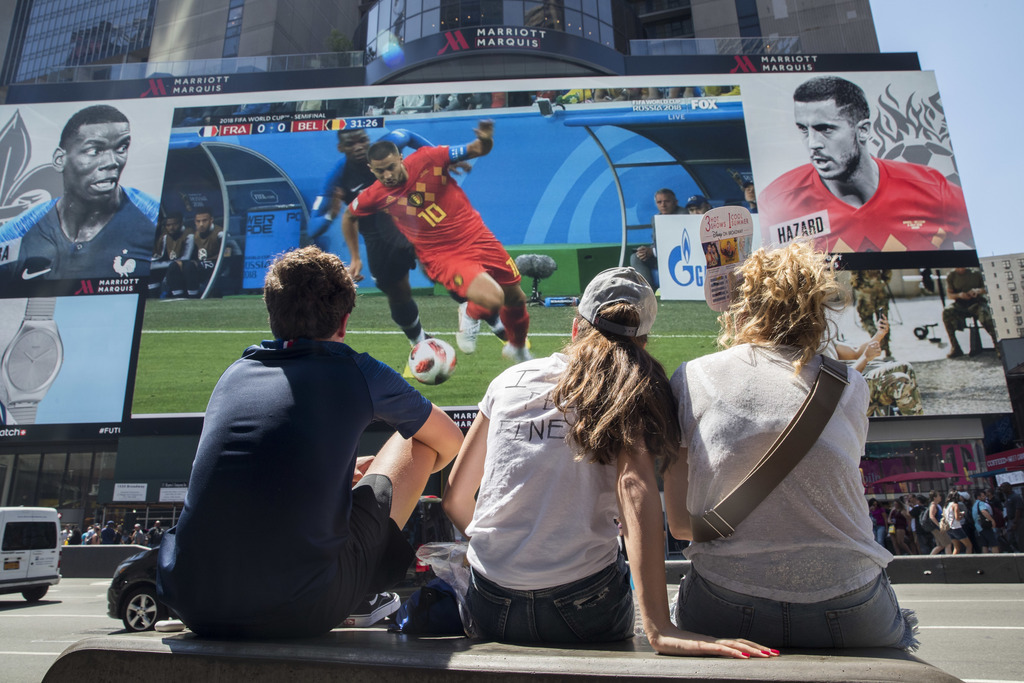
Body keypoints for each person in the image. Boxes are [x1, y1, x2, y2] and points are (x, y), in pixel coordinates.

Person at [442, 267, 774, 658]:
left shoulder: (508, 381)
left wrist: (503, 556)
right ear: (643, 343)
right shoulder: (629, 389)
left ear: (575, 329)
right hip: (581, 606)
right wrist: (659, 629)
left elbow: (455, 500)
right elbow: (635, 490)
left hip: (489, 602)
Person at [157, 246, 463, 639]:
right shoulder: (357, 369)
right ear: (345, 321)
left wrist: (331, 477)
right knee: (420, 443)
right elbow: (450, 442)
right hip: (300, 607)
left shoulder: (234, 374)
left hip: (192, 600)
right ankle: (364, 590)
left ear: (271, 313)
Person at [664, 241, 918, 651]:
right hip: (850, 599)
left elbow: (679, 526)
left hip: (727, 597)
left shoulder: (693, 376)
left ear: (743, 304)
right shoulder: (852, 386)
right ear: (819, 308)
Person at [343, 120, 532, 362]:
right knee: (494, 300)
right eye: (380, 172)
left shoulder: (429, 158)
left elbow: (476, 149)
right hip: (443, 254)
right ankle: (470, 312)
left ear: (401, 158)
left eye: (391, 167)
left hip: (478, 235)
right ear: (371, 170)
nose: (387, 175)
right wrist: (355, 257)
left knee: (516, 298)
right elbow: (349, 216)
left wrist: (485, 139)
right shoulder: (374, 196)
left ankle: (517, 348)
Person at [311, 128, 504, 348]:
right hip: (377, 238)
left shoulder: (389, 146)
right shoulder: (338, 177)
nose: (358, 147)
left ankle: (494, 321)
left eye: (362, 140)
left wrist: (439, 161)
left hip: (412, 223)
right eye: (350, 143)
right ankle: (419, 342)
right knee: (397, 291)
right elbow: (314, 226)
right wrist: (329, 215)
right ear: (341, 148)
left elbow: (408, 135)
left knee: (445, 271)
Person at [759, 76, 972, 253]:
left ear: (863, 130)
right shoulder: (777, 201)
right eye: (804, 130)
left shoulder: (932, 189)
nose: (813, 144)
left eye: (825, 129)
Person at [0, 104, 159, 281]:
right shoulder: (17, 233)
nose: (112, 162)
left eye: (121, 148)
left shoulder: (153, 218)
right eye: (94, 151)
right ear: (60, 160)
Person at [830, 315, 923, 416]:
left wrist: (879, 334)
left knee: (905, 367)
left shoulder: (821, 339)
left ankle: (917, 419)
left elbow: (855, 352)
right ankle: (914, 428)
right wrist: (865, 357)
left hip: (849, 382)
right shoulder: (812, 346)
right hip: (841, 393)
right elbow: (845, 379)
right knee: (900, 381)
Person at [631, 188, 683, 290]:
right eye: (659, 202)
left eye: (667, 201)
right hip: (661, 256)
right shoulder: (655, 218)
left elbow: (678, 242)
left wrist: (653, 251)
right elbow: (656, 242)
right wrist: (646, 250)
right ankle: (648, 291)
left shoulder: (684, 214)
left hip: (679, 256)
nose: (663, 205)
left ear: (675, 202)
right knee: (636, 257)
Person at [942, 267, 998, 359]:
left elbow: (987, 288)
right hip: (961, 303)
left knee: (985, 314)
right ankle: (955, 347)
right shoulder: (951, 276)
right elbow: (949, 295)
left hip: (977, 302)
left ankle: (998, 346)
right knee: (947, 312)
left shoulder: (975, 273)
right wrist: (960, 295)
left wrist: (977, 291)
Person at [149, 212, 193, 298]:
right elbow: (162, 255)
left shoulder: (189, 235)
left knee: (174, 267)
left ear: (181, 223)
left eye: (174, 224)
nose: (171, 228)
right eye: (168, 225)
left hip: (186, 266)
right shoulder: (166, 237)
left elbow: (186, 258)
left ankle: (179, 296)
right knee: (149, 267)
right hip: (171, 263)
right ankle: (152, 296)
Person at [850, 270, 891, 357]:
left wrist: (857, 285)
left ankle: (877, 339)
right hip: (879, 290)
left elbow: (854, 275)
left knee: (866, 319)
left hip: (865, 293)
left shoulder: (858, 256)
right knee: (883, 320)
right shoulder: (879, 256)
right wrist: (883, 282)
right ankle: (886, 348)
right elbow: (887, 271)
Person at [972, 489, 1000, 554]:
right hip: (985, 526)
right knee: (994, 543)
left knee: (984, 545)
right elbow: (983, 511)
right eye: (983, 496)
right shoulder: (981, 503)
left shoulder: (974, 505)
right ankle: (997, 558)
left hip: (979, 527)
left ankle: (986, 560)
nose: (985, 497)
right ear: (978, 497)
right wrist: (992, 520)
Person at [927, 489, 953, 555]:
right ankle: (949, 560)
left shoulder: (936, 505)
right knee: (948, 543)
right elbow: (931, 516)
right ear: (934, 498)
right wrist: (939, 525)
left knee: (941, 545)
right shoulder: (933, 505)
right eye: (938, 496)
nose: (940, 497)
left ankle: (929, 559)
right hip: (937, 528)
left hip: (936, 528)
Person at [999, 482, 1023, 552]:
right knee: (1010, 538)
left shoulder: (1015, 497)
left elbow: (1019, 509)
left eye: (1003, 487)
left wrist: (1015, 522)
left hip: (1017, 520)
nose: (1002, 489)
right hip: (1010, 520)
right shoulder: (1007, 498)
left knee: (1020, 538)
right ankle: (1018, 551)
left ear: (1009, 487)